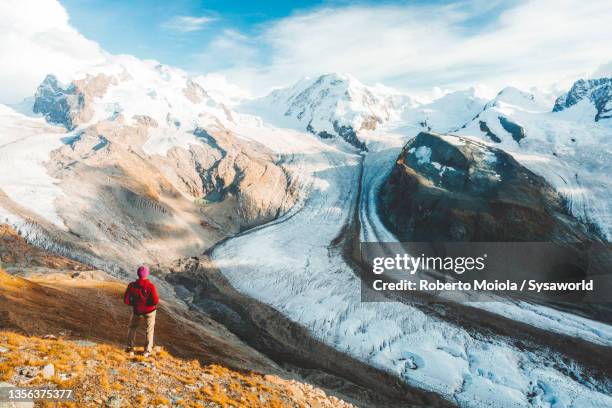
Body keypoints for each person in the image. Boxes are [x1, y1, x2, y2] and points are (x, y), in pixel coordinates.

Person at [124, 265, 159, 357]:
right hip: (150, 311)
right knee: (149, 330)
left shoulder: (131, 286)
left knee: (132, 328)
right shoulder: (151, 286)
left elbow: (126, 300)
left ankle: (130, 348)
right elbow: (155, 301)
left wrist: (136, 304)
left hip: (137, 311)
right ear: (147, 274)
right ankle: (147, 351)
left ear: (138, 274)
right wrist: (148, 305)